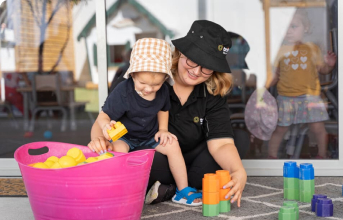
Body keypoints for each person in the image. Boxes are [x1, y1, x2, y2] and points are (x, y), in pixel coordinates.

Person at [88, 20, 248, 207]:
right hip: (149, 153)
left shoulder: (212, 92)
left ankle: (171, 188)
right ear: (180, 53)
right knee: (144, 159)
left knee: (239, 140)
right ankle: (171, 186)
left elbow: (221, 143)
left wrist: (238, 171)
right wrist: (101, 140)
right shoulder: (142, 78)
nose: (196, 71)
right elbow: (105, 117)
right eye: (192, 60)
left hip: (187, 155)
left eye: (207, 67)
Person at [89, 38, 202, 206]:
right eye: (142, 83)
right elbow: (103, 116)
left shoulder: (163, 90)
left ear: (164, 79)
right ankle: (117, 190)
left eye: (155, 84)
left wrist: (163, 129)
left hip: (148, 136)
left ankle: (182, 190)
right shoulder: (123, 91)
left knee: (172, 144)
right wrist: (106, 127)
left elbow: (164, 109)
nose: (149, 89)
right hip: (124, 137)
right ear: (133, 74)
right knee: (117, 153)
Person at [266, 9, 337, 159]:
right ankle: (271, 157)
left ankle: (322, 154)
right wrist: (263, 85)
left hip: (310, 97)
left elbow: (322, 69)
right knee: (280, 129)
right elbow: (275, 75)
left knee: (318, 128)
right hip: (286, 98)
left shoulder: (312, 48)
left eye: (293, 26)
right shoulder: (280, 51)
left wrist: (329, 65)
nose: (289, 31)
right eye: (285, 27)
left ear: (306, 28)